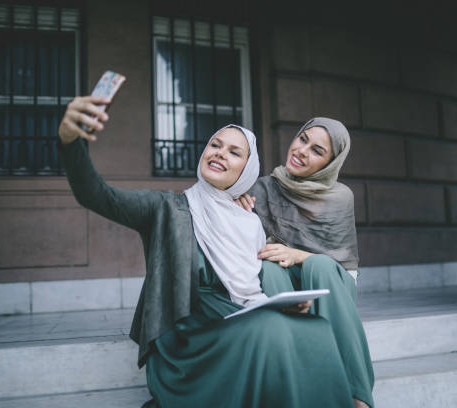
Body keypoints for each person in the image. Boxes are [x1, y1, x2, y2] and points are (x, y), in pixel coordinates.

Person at [57, 98, 356, 407]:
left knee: (315, 330)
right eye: (215, 145)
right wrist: (70, 140)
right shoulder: (166, 208)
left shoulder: (249, 223)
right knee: (271, 330)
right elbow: (97, 195)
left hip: (240, 319)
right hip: (189, 335)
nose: (219, 154)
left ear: (246, 170)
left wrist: (281, 305)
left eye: (234, 152)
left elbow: (251, 291)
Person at [237, 118, 375, 408]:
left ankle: (358, 397)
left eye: (317, 150)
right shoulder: (263, 188)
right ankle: (296, 385)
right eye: (302, 139)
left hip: (330, 286)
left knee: (320, 266)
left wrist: (303, 256)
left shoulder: (339, 198)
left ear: (330, 162)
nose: (301, 150)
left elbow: (345, 269)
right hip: (281, 283)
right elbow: (245, 246)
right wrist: (238, 208)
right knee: (269, 264)